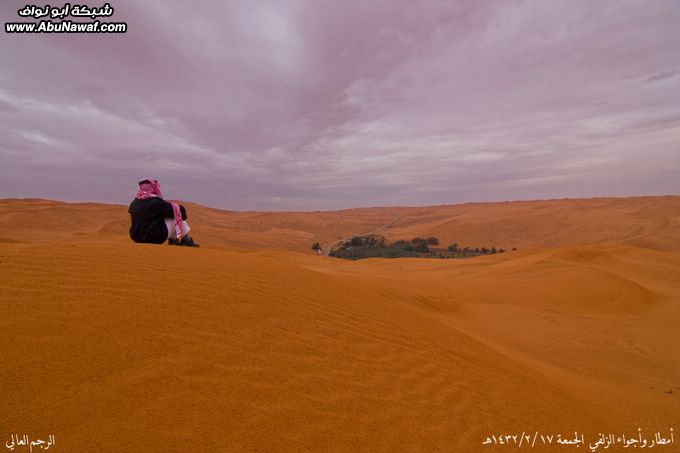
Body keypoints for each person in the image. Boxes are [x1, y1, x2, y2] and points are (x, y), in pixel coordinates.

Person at [128, 178, 199, 247]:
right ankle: (185, 240)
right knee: (176, 213)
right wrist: (180, 213)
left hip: (136, 237)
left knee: (168, 214)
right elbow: (181, 211)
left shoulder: (134, 203)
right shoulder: (156, 202)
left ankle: (174, 240)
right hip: (155, 237)